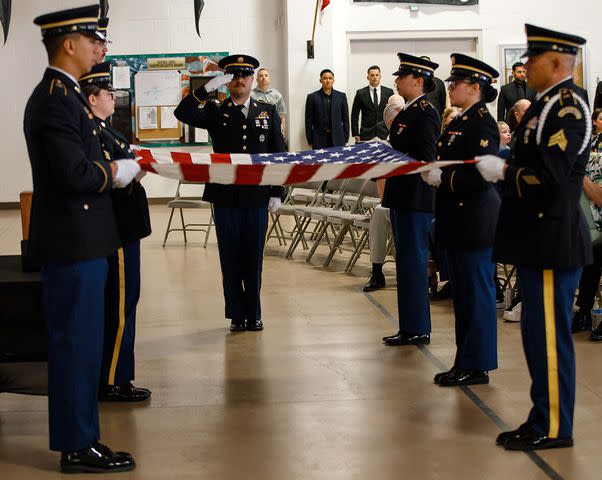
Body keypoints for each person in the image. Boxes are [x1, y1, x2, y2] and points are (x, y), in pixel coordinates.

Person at [24, 5, 139, 473]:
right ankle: (76, 444)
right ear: (68, 44)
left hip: (86, 240)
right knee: (75, 343)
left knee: (86, 341)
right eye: (93, 41)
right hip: (72, 243)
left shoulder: (68, 96)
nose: (101, 48)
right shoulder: (54, 98)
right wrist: (116, 171)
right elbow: (73, 173)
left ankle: (84, 436)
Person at [477, 24, 591, 451]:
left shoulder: (568, 108)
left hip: (552, 238)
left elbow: (554, 177)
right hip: (535, 238)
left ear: (558, 63)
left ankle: (556, 426)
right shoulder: (544, 105)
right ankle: (540, 415)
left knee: (547, 337)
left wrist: (504, 172)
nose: (525, 66)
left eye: (534, 59)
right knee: (534, 335)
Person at [174, 54, 285, 332]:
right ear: (227, 82)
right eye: (233, 76)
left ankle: (254, 313)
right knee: (230, 257)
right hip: (224, 196)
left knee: (253, 257)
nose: (240, 80)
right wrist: (205, 89)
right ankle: (236, 313)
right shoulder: (215, 110)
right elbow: (182, 113)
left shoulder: (266, 111)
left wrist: (277, 191)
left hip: (257, 196)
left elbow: (278, 154)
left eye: (245, 75)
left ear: (252, 79)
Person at [422, 53, 501, 386]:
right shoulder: (458, 121)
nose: (450, 87)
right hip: (454, 219)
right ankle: (464, 359)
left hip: (472, 219)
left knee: (476, 294)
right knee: (462, 295)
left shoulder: (482, 123)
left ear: (475, 87)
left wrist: (444, 178)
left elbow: (481, 175)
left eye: (456, 82)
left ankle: (478, 363)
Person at [81, 61, 152, 402]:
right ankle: (113, 380)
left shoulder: (106, 130)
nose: (113, 97)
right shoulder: (93, 133)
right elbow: (106, 181)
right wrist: (131, 173)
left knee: (124, 302)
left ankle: (115, 375)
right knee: (120, 305)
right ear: (93, 99)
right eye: (108, 93)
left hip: (125, 226)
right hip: (118, 228)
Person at [381, 53, 441, 346]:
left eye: (401, 76)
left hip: (416, 197)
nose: (396, 80)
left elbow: (426, 158)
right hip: (402, 196)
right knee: (404, 263)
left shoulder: (426, 111)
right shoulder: (407, 111)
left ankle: (418, 327)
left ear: (418, 81)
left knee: (415, 262)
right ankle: (409, 326)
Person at [363, 95, 405, 292]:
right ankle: (377, 271)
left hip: (416, 201)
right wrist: (387, 201)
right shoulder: (385, 146)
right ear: (388, 121)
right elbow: (381, 180)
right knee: (380, 212)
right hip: (393, 200)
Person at [572, 107, 602, 335]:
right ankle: (583, 311)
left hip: (596, 205)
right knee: (591, 257)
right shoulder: (593, 143)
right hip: (593, 217)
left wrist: (581, 178)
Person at [305, 69, 349, 148]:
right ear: (320, 80)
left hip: (338, 138)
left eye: (330, 78)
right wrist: (310, 140)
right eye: (325, 78)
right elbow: (308, 121)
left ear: (333, 80)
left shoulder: (341, 96)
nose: (328, 81)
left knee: (337, 160)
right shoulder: (312, 97)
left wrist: (345, 137)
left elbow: (345, 119)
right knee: (320, 160)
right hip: (318, 139)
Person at [351, 65, 394, 142]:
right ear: (368, 77)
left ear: (380, 76)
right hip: (366, 133)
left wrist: (393, 131)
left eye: (377, 75)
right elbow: (354, 115)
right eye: (372, 75)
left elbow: (392, 113)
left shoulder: (389, 92)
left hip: (384, 133)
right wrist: (356, 133)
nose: (375, 77)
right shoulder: (360, 93)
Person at [251, 67, 288, 134]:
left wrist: (282, 132)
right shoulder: (250, 95)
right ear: (257, 79)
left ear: (269, 79)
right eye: (261, 76)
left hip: (273, 130)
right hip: (255, 129)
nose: (264, 77)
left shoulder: (277, 95)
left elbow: (282, 116)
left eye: (266, 75)